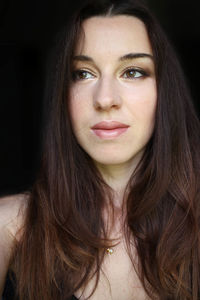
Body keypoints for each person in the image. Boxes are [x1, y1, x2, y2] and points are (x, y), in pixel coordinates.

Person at [0, 0, 200, 299]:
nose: (105, 99)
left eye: (132, 72)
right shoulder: (10, 225)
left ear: (164, 92)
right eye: (83, 73)